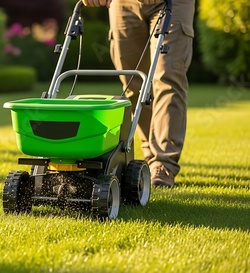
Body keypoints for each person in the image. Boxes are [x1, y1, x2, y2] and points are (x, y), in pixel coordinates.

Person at [81, 0, 195, 187]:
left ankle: (162, 163)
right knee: (132, 83)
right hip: (123, 4)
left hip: (172, 4)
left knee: (167, 78)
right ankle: (150, 156)